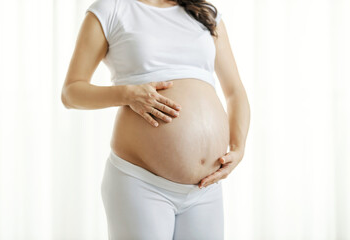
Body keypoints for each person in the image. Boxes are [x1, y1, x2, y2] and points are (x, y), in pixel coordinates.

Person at [61, 0, 250, 239]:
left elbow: (235, 92)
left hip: (206, 189)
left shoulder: (204, 13)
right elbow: (71, 93)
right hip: (141, 183)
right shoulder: (111, 9)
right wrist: (128, 94)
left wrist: (238, 148)